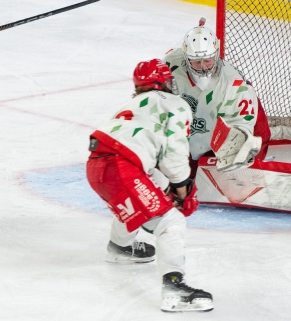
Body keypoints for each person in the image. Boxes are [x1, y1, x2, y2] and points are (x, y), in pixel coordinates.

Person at [163, 20, 291, 217]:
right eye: (196, 61)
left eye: (208, 60)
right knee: (186, 174)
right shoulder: (170, 63)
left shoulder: (233, 84)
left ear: (216, 55)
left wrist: (232, 155)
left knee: (234, 176)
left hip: (244, 126)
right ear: (185, 57)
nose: (202, 67)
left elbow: (243, 132)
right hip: (204, 129)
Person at [86, 59, 213, 313]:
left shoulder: (131, 105)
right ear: (165, 82)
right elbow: (174, 152)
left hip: (97, 165)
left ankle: (120, 247)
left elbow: (148, 156)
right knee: (171, 221)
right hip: (122, 165)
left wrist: (167, 188)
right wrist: (182, 186)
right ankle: (175, 289)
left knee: (141, 197)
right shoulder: (175, 103)